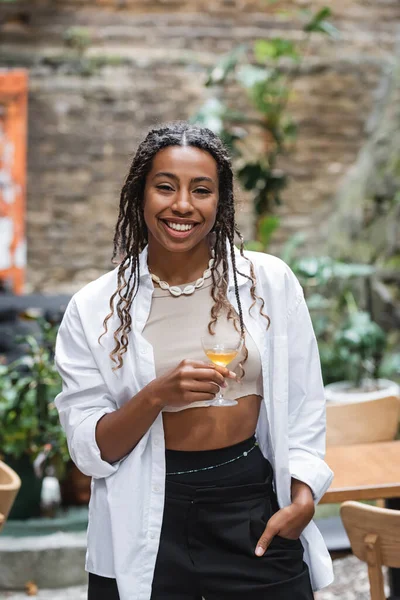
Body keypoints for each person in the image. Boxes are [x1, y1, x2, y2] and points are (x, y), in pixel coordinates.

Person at [54, 121, 334, 600]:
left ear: (219, 202)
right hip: (145, 507)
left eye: (201, 190)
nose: (182, 204)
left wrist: (304, 497)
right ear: (139, 195)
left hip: (249, 503)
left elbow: (305, 403)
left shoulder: (268, 283)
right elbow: (90, 452)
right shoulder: (95, 306)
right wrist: (158, 395)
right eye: (165, 187)